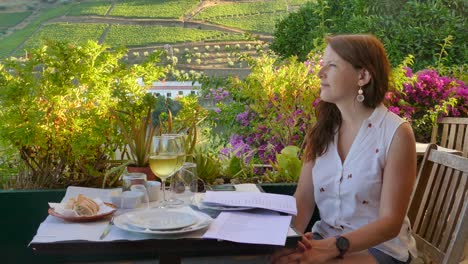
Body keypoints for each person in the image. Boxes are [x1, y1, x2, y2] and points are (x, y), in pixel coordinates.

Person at [271, 34, 417, 264]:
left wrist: (331, 248)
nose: (320, 73)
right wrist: (285, 244)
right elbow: (304, 199)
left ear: (363, 76)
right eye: (322, 65)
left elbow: (390, 223)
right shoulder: (322, 131)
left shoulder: (396, 134)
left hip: (380, 248)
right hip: (324, 239)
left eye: (332, 65)